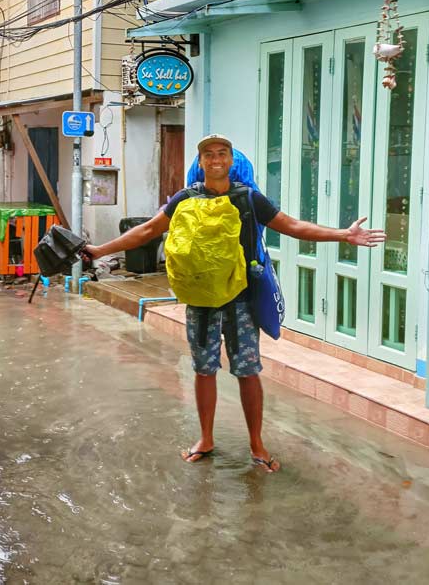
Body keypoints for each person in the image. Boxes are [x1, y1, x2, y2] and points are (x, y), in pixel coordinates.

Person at [84, 134, 386, 473]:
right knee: (203, 369)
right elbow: (148, 231)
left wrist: (343, 235)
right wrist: (99, 251)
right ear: (200, 162)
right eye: (209, 154)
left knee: (247, 371)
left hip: (241, 299)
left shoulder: (249, 198)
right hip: (200, 299)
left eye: (222, 154)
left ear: (231, 160)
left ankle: (256, 443)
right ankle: (206, 438)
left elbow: (292, 226)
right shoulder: (184, 199)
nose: (216, 160)